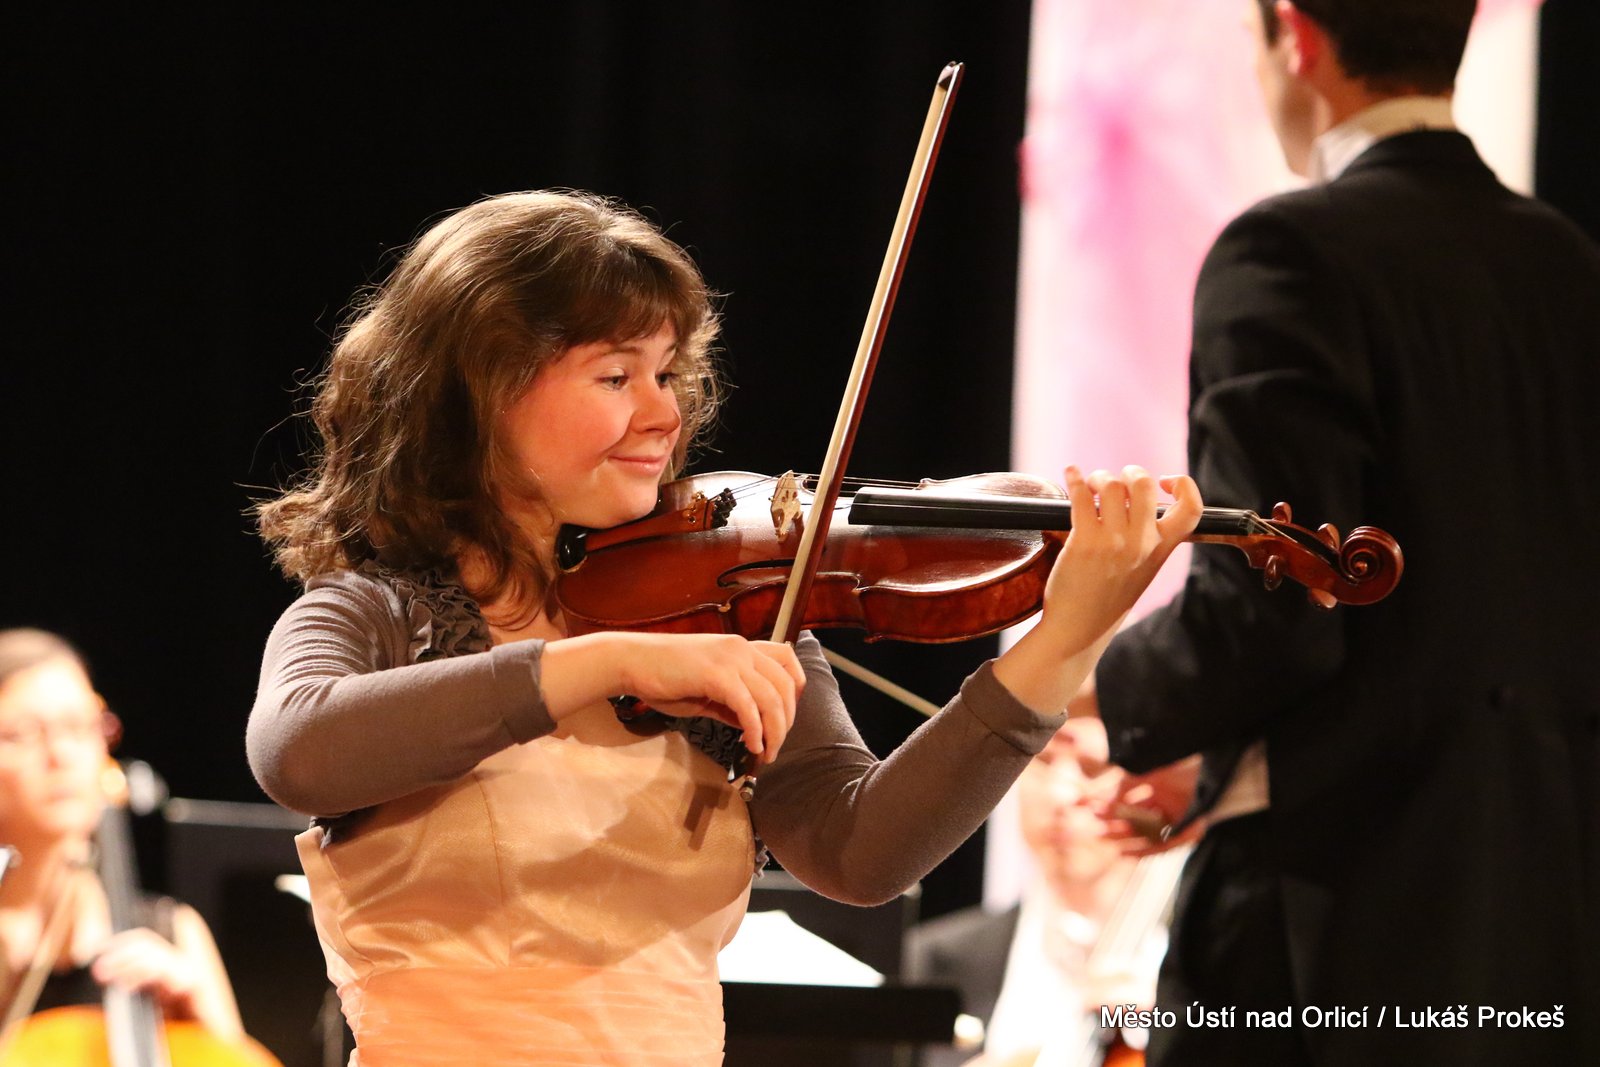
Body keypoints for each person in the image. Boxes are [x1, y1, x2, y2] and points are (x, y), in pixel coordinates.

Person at [244, 189, 1201, 1066]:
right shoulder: (378, 615)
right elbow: (298, 751)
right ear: (482, 390)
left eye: (667, 373)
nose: (663, 413)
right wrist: (602, 663)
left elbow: (859, 851)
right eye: (616, 375)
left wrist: (1063, 641)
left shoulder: (724, 618)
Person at [1076, 2, 1600, 1064]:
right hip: (1547, 911)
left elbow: (1274, 608)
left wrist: (1090, 680)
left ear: (1297, 36)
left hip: (1340, 919)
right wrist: (1217, 758)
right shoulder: (1570, 264)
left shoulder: (1288, 252)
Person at [0, 628, 245, 1042]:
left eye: (79, 727)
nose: (61, 754)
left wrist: (198, 1018)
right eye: (24, 733)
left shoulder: (173, 933)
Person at [906, 718, 1174, 1067]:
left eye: (1094, 768)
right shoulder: (928, 961)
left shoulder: (1222, 967)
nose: (1059, 795)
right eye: (1042, 761)